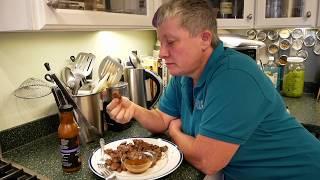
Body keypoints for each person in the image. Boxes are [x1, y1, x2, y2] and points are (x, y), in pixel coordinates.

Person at [106, 0, 320, 179]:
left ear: (204, 39)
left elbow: (207, 161)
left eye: (170, 42)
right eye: (160, 42)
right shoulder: (185, 75)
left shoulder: (233, 76)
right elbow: (162, 118)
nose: (162, 52)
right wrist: (134, 109)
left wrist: (174, 131)